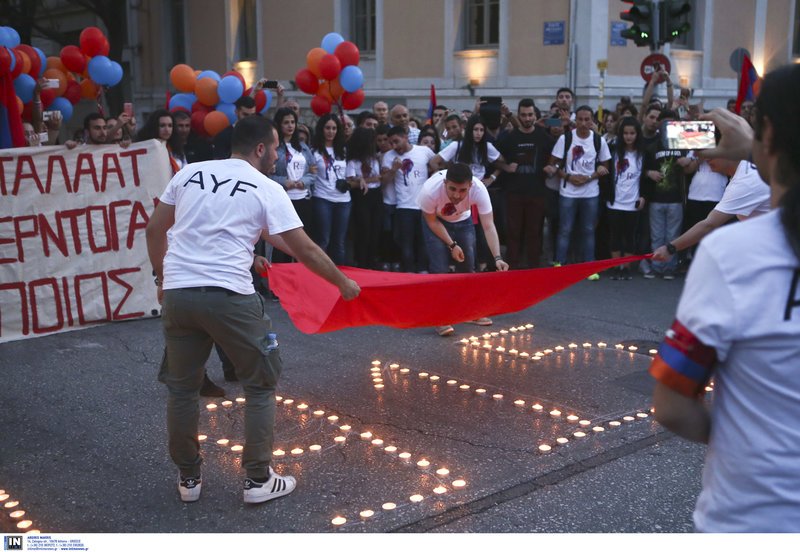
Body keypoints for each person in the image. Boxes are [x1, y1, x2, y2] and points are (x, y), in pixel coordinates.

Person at [146, 116, 360, 504]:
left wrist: (161, 279)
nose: (278, 155)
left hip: (178, 294)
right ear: (260, 149)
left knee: (182, 389)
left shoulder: (190, 173)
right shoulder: (266, 186)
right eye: (276, 147)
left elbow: (156, 229)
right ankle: (258, 480)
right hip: (229, 298)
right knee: (260, 382)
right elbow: (306, 249)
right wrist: (342, 283)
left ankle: (189, 480)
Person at [650, 64, 800, 532]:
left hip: (754, 517)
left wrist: (743, 439)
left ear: (768, 132)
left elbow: (673, 405)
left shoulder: (736, 255)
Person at [418, 163, 508, 336]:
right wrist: (452, 244)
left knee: (468, 266)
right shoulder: (429, 190)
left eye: (462, 190)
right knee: (440, 269)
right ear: (445, 182)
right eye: (452, 189)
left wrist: (497, 257)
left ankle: (469, 311)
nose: (456, 195)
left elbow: (488, 225)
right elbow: (431, 222)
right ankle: (441, 317)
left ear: (470, 186)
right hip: (436, 222)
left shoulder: (480, 190)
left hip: (463, 221)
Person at [651, 158, 771, 263]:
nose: (706, 160)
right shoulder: (746, 170)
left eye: (712, 155)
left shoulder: (745, 182)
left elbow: (709, 224)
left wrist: (670, 248)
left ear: (728, 153)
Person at [547, 105, 611, 276]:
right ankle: (559, 264)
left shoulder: (599, 140)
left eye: (587, 119)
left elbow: (605, 166)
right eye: (580, 119)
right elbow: (553, 163)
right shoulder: (565, 138)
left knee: (589, 229)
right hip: (568, 191)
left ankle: (589, 267)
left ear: (592, 121)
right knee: (565, 229)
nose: (583, 123)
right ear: (576, 121)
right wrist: (568, 177)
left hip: (590, 192)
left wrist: (590, 177)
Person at [496, 99, 556, 269]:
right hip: (513, 193)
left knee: (534, 232)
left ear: (535, 116)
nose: (527, 118)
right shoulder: (510, 138)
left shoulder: (544, 137)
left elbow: (559, 156)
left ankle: (534, 268)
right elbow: (493, 158)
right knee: (513, 232)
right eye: (523, 115)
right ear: (519, 115)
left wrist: (553, 166)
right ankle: (513, 267)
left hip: (537, 193)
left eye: (530, 115)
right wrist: (506, 167)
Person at [642, 109, 698, 279]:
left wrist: (689, 160)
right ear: (659, 124)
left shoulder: (684, 143)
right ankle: (657, 266)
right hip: (656, 199)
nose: (667, 125)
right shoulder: (652, 145)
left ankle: (669, 268)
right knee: (657, 235)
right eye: (664, 122)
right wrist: (648, 173)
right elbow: (641, 167)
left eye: (670, 122)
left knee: (673, 236)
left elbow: (700, 149)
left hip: (676, 199)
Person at [381, 126, 435, 272]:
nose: (394, 146)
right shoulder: (388, 156)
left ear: (405, 137)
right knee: (406, 244)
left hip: (424, 206)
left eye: (396, 141)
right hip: (404, 207)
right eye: (391, 143)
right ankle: (409, 272)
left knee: (423, 241)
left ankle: (423, 270)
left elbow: (437, 165)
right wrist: (393, 169)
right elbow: (383, 182)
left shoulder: (424, 151)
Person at [602, 117, 646, 280]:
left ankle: (625, 267)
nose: (629, 136)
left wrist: (643, 196)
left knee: (629, 236)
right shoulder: (613, 151)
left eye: (632, 133)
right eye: (626, 133)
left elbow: (645, 177)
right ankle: (615, 266)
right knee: (615, 235)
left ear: (637, 134)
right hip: (615, 201)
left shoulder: (643, 153)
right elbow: (606, 175)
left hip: (632, 202)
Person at [272, 107, 316, 260]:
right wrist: (284, 182)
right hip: (284, 199)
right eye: (286, 123)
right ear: (279, 125)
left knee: (303, 244)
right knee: (282, 244)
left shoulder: (303, 147)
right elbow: (266, 175)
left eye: (293, 122)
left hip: (303, 199)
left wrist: (303, 181)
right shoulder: (274, 148)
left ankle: (300, 277)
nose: (290, 126)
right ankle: (281, 280)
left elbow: (313, 173)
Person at [311, 113, 350, 265]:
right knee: (323, 240)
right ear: (321, 129)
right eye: (327, 128)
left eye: (334, 128)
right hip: (322, 198)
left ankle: (340, 278)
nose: (331, 131)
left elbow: (350, 173)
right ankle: (320, 275)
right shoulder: (314, 150)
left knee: (339, 242)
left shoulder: (344, 149)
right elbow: (310, 172)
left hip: (344, 200)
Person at [346, 127, 383, 268]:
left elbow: (378, 178)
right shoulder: (353, 161)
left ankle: (372, 262)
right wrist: (365, 180)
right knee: (364, 231)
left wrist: (367, 180)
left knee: (375, 231)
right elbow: (350, 181)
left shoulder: (375, 159)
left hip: (376, 195)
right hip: (361, 196)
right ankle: (362, 263)